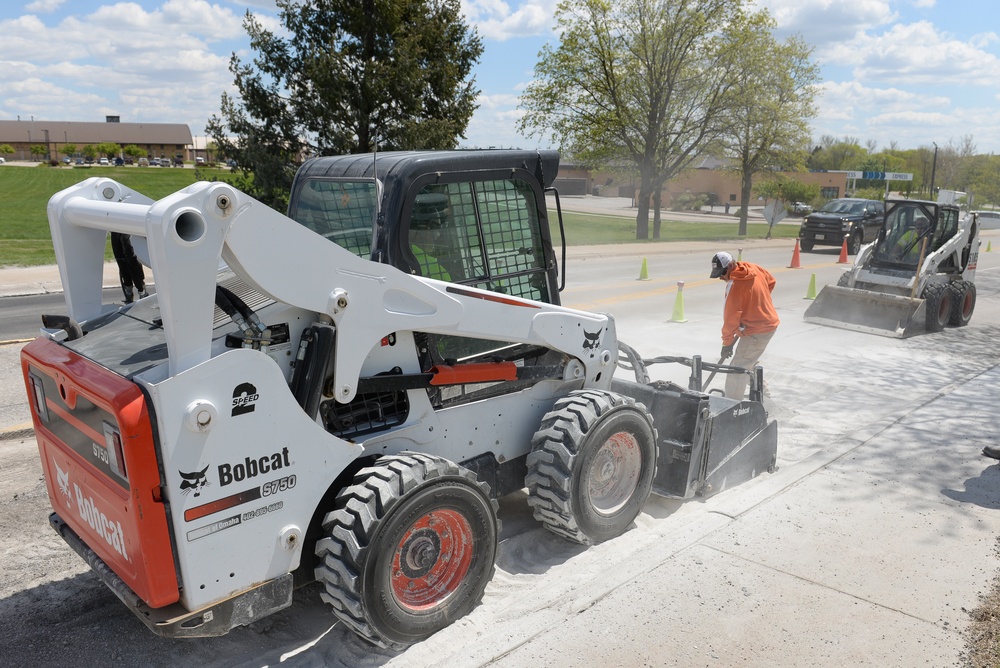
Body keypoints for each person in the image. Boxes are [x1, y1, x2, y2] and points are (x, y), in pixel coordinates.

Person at [710, 251, 780, 399]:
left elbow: (730, 319)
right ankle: (765, 397)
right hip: (766, 324)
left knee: (737, 370)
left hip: (757, 329)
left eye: (722, 273)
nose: (721, 277)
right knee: (748, 361)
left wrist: (726, 343)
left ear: (730, 265)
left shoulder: (734, 286)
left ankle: (731, 406)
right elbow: (771, 282)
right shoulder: (753, 268)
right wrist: (757, 304)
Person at [111, 232, 147, 303]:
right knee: (120, 259)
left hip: (126, 230)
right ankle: (128, 290)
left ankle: (141, 289)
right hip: (115, 228)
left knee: (131, 259)